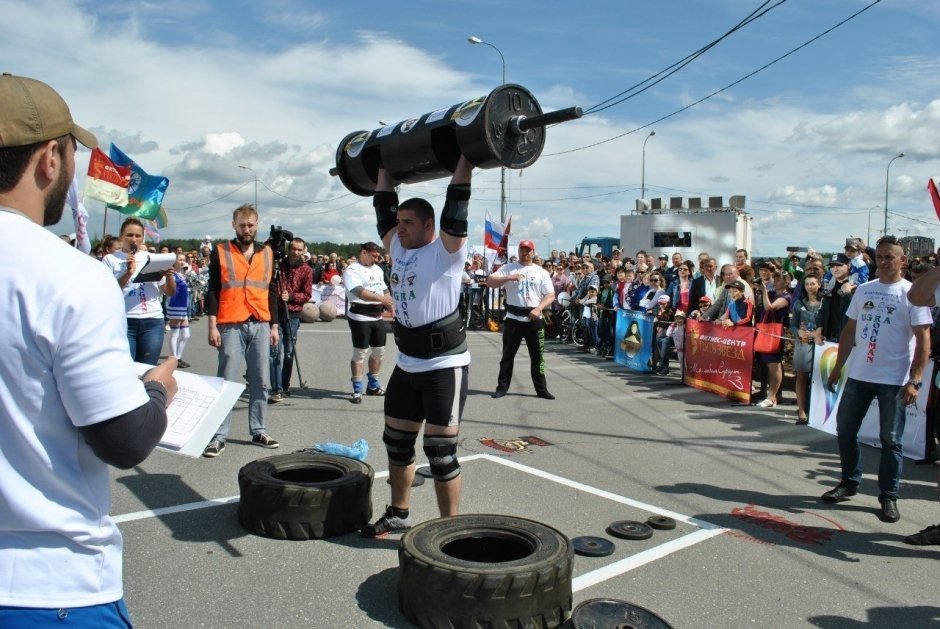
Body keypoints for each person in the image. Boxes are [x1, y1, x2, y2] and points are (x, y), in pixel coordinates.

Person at [0, 73, 177, 626]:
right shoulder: (67, 276)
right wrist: (157, 389)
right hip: (48, 585)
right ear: (50, 159)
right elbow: (122, 439)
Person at [361, 156, 473, 538]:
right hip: (408, 363)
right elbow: (382, 208)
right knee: (396, 444)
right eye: (399, 223)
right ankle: (399, 513)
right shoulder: (400, 249)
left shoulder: (447, 252)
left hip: (445, 365)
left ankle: (448, 532)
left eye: (408, 223)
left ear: (429, 226)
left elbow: (457, 203)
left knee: (441, 455)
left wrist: (466, 159)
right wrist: (383, 165)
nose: (398, 228)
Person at [820, 236, 931, 524]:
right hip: (858, 375)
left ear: (902, 261)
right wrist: (838, 368)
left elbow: (923, 340)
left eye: (890, 257)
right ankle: (849, 482)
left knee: (891, 440)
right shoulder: (864, 290)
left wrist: (915, 380)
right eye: (880, 256)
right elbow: (849, 332)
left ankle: (889, 496)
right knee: (845, 431)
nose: (883, 262)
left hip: (894, 381)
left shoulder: (913, 294)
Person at [202, 204, 281, 458]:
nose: (246, 229)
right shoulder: (221, 251)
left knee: (261, 380)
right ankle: (218, 435)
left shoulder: (267, 252)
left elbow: (271, 291)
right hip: (230, 322)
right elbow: (213, 289)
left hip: (260, 321)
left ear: (257, 225)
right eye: (242, 225)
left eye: (250, 225)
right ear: (233, 225)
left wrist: (275, 325)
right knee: (226, 380)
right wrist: (212, 324)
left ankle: (259, 430)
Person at [487, 240, 556, 399]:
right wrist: (508, 277)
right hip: (513, 318)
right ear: (518, 251)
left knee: (538, 357)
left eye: (528, 250)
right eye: (522, 250)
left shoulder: (541, 272)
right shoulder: (508, 268)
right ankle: (502, 387)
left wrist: (538, 308)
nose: (525, 253)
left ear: (533, 252)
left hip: (534, 318)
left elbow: (550, 295)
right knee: (507, 356)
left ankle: (542, 389)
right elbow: (490, 282)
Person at [103, 217, 176, 365]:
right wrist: (128, 273)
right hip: (125, 320)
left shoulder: (152, 258)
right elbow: (108, 292)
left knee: (147, 369)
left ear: (143, 238)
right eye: (129, 235)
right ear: (121, 236)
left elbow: (169, 292)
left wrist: (169, 277)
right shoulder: (110, 259)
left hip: (153, 321)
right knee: (125, 368)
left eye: (138, 236)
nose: (133, 239)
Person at [342, 241, 393, 404]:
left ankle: (373, 385)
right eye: (374, 255)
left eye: (378, 255)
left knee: (379, 351)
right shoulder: (352, 270)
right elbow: (359, 292)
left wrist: (391, 303)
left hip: (377, 316)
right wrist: (382, 299)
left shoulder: (377, 269)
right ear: (363, 253)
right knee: (360, 352)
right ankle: (357, 388)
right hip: (360, 316)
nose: (376, 258)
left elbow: (384, 289)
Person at [268, 237, 313, 401]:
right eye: (293, 248)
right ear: (289, 249)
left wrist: (292, 296)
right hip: (275, 313)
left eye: (299, 249)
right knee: (274, 351)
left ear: (304, 250)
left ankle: (285, 384)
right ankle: (276, 389)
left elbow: (307, 294)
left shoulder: (306, 270)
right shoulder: (279, 265)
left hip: (293, 315)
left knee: (288, 352)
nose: (296, 252)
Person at [790, 274, 822, 424]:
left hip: (821, 344)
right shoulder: (798, 303)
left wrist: (819, 333)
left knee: (819, 378)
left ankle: (818, 412)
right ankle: (802, 412)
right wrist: (798, 332)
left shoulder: (825, 303)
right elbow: (792, 324)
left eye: (813, 284)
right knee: (801, 377)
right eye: (807, 284)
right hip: (803, 344)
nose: (810, 286)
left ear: (819, 285)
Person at [166, 253, 192, 368]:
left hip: (183, 307)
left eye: (183, 260)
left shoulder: (181, 274)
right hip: (175, 306)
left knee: (186, 335)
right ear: (174, 261)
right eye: (179, 260)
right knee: (175, 333)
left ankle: (178, 358)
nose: (182, 262)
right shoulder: (172, 274)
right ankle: (174, 359)